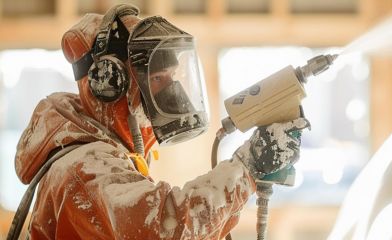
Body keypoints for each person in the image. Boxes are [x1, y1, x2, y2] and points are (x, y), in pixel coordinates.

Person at [14, 4, 310, 240]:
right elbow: (167, 228)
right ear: (109, 83)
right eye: (156, 79)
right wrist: (248, 167)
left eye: (172, 77)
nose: (172, 91)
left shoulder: (108, 157)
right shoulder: (82, 170)